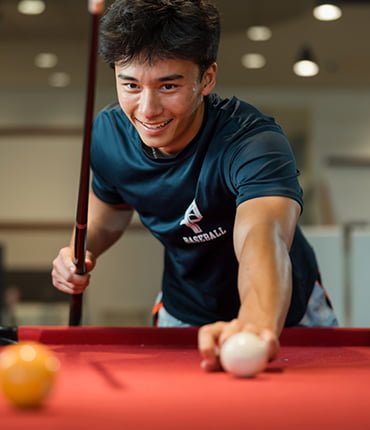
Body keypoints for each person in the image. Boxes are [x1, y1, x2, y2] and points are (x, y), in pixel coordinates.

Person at [52, 0, 337, 371]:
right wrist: (81, 252)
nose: (148, 109)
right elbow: (110, 212)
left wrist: (255, 323)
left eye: (168, 85)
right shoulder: (109, 136)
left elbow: (261, 236)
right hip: (182, 311)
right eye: (131, 85)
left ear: (207, 78)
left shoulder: (253, 143)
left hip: (284, 314)